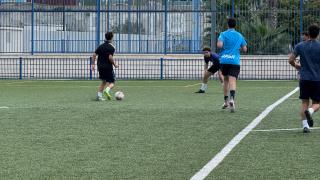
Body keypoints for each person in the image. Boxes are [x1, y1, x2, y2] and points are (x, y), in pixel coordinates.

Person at [289, 24, 320, 133]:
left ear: (308, 33)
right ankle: (310, 111)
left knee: (304, 103)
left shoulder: (300, 46)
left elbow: (290, 59)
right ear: (318, 34)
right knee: (317, 103)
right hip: (317, 79)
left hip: (304, 79)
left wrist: (296, 65)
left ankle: (305, 126)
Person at [217, 18, 247, 112]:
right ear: (235, 25)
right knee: (233, 81)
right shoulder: (239, 35)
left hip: (224, 60)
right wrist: (238, 48)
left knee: (225, 80)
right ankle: (232, 99)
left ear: (227, 25)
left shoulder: (223, 34)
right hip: (235, 61)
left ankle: (226, 101)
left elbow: (219, 45)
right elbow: (245, 49)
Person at [92, 32, 118, 101]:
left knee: (103, 82)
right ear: (112, 38)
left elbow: (94, 54)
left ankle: (99, 96)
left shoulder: (100, 46)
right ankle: (107, 90)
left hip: (100, 67)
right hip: (108, 67)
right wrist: (115, 65)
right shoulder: (112, 47)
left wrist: (93, 65)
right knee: (112, 82)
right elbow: (110, 57)